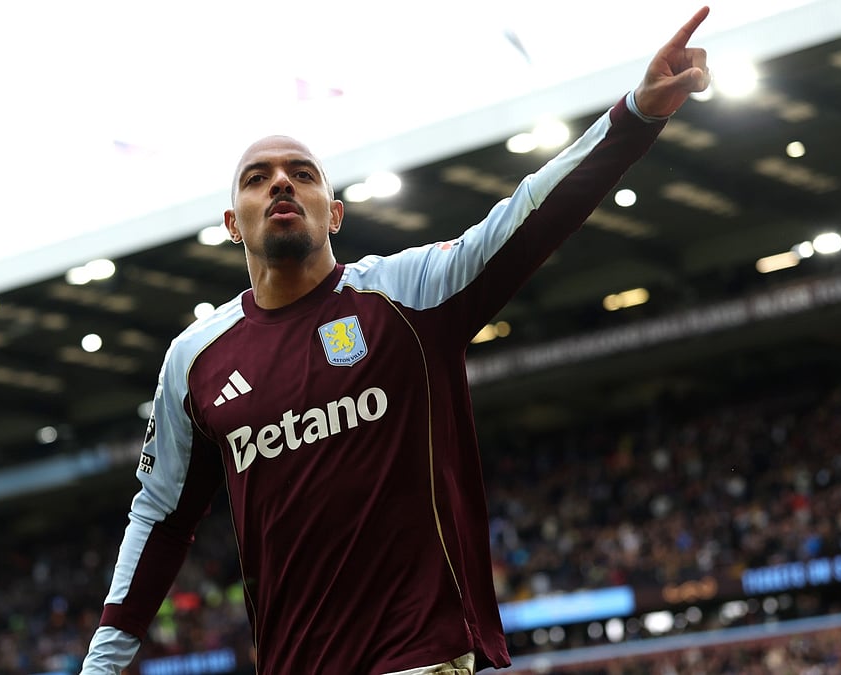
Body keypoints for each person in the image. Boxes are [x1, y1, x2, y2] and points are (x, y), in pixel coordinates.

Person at [82, 8, 712, 674]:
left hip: (419, 656)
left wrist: (634, 116)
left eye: (301, 172)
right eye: (257, 177)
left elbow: (528, 215)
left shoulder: (407, 296)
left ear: (336, 212)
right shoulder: (195, 360)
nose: (280, 183)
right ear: (233, 223)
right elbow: (160, 515)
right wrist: (102, 661)